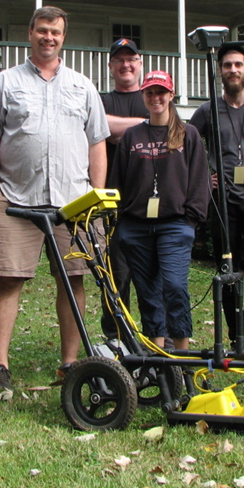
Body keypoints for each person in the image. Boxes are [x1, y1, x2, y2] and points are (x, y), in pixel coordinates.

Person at [0, 6, 109, 389]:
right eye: (42, 31)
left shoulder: (82, 86)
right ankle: (0, 366)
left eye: (56, 32)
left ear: (63, 37)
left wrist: (96, 196)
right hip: (17, 200)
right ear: (30, 33)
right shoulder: (5, 82)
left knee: (74, 279)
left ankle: (69, 364)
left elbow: (97, 142)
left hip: (74, 203)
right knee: (8, 280)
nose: (48, 37)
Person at [108, 71, 209, 351]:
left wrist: (190, 220)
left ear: (171, 95)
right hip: (136, 228)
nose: (156, 98)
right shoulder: (132, 136)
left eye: (161, 92)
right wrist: (121, 220)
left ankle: (182, 354)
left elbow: (200, 181)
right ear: (143, 96)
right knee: (148, 292)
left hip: (174, 225)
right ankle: (158, 354)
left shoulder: (188, 134)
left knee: (175, 287)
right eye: (150, 93)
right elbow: (117, 181)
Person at [189, 43, 244, 352]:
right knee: (228, 272)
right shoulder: (207, 109)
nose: (233, 70)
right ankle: (236, 336)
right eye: (227, 65)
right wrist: (203, 179)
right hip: (224, 205)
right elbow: (187, 145)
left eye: (238, 64)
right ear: (220, 71)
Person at [99, 38, 148, 341]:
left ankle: (157, 337)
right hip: (111, 202)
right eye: (119, 60)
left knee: (151, 273)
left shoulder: (152, 96)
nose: (126, 65)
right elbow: (99, 125)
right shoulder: (100, 100)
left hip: (149, 202)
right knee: (115, 275)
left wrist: (118, 130)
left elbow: (166, 127)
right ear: (111, 67)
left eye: (131, 59)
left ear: (140, 63)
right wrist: (144, 125)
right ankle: (116, 338)